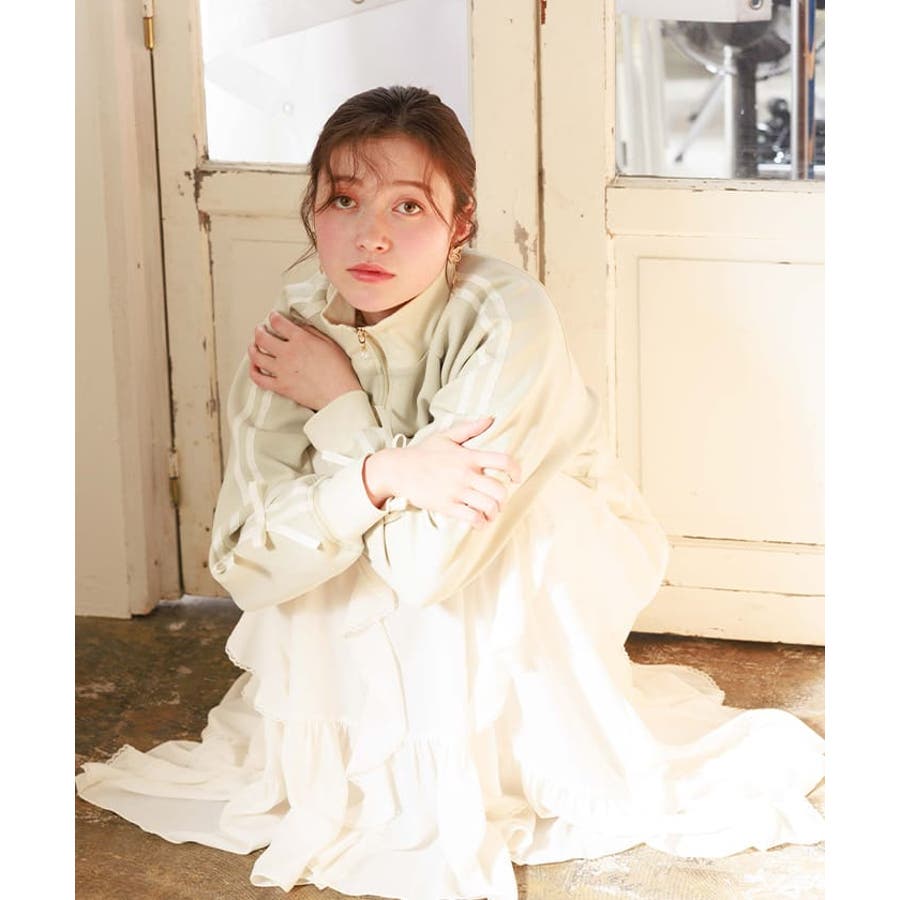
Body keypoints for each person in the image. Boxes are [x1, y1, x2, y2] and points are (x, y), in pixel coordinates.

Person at [77, 86, 825, 899]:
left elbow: (431, 569)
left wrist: (345, 416)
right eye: (344, 200)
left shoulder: (506, 319)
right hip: (420, 541)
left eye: (409, 206)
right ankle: (385, 765)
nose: (372, 235)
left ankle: (485, 762)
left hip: (554, 550)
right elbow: (245, 569)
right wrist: (382, 476)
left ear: (460, 224)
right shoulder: (296, 339)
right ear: (313, 212)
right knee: (338, 536)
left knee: (469, 528)